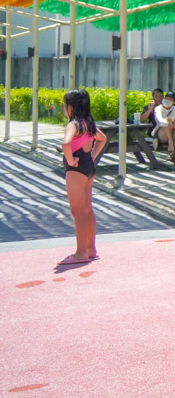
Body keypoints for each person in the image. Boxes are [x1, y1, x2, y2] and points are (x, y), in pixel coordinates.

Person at [60, 89, 107, 266]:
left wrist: (70, 159)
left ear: (71, 107)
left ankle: (81, 253)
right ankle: (91, 249)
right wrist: (92, 156)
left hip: (76, 170)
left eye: (65, 105)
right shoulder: (89, 124)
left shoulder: (73, 125)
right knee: (87, 209)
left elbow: (66, 143)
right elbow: (102, 139)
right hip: (88, 167)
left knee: (78, 211)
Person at [153, 91, 175, 163]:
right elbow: (159, 120)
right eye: (166, 98)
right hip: (163, 134)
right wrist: (170, 124)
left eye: (170, 99)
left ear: (174, 102)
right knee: (167, 120)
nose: (167, 100)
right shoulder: (158, 108)